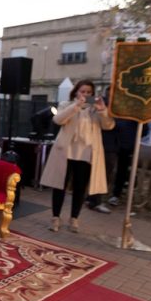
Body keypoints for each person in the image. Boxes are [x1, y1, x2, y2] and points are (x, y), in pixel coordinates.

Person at [40, 79, 115, 232]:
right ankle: (55, 217)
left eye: (89, 92)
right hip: (66, 152)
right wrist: (76, 106)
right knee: (59, 185)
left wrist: (102, 110)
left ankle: (74, 218)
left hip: (86, 154)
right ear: (76, 92)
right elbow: (58, 119)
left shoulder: (96, 109)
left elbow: (109, 125)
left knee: (80, 188)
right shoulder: (67, 105)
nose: (85, 95)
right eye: (82, 91)